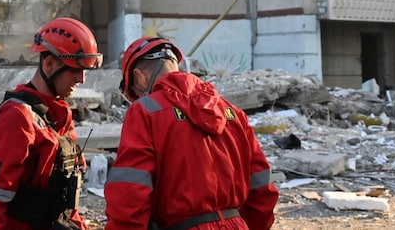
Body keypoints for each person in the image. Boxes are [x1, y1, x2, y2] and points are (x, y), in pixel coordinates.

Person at [104, 37, 279, 230]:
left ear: (139, 77)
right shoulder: (233, 113)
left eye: (135, 93)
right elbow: (262, 189)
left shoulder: (144, 112)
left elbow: (130, 192)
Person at [0, 17, 103, 230]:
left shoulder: (60, 117)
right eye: (75, 69)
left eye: (85, 71)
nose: (82, 79)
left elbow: (67, 201)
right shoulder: (17, 118)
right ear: (50, 64)